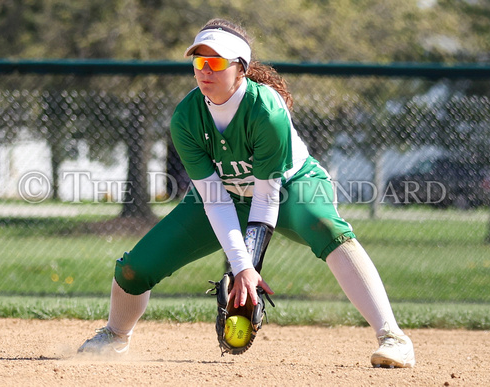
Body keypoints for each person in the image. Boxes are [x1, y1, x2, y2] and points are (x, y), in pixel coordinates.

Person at [78, 18, 415, 368]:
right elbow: (214, 198)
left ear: (240, 68)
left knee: (327, 229)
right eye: (199, 62)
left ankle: (393, 338)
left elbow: (266, 197)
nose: (205, 71)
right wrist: (242, 269)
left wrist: (248, 269)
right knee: (136, 268)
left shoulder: (265, 110)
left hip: (290, 187)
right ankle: (115, 337)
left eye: (216, 62)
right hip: (224, 196)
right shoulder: (186, 117)